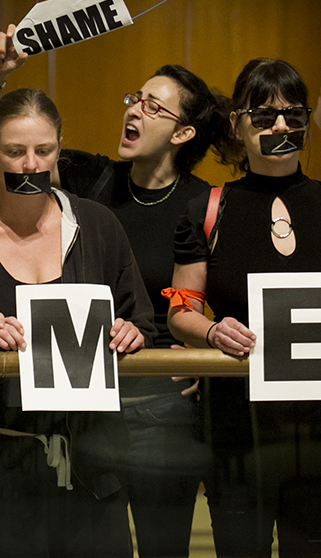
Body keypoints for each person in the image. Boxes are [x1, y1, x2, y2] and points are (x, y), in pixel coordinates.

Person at [0, 26, 229, 557]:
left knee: (163, 546)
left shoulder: (203, 203)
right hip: (84, 400)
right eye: (135, 98)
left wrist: (200, 353)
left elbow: (219, 298)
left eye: (153, 106)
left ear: (183, 134)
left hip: (161, 402)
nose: (133, 110)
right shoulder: (93, 181)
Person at [0, 86, 155, 557]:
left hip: (92, 469)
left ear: (60, 147)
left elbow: (139, 317)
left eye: (43, 151)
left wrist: (133, 331)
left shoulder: (98, 226)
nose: (29, 165)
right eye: (14, 152)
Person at [168, 58, 321, 556]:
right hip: (236, 427)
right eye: (263, 116)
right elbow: (181, 311)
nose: (280, 126)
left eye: (294, 117)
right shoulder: (207, 210)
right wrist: (212, 333)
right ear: (238, 124)